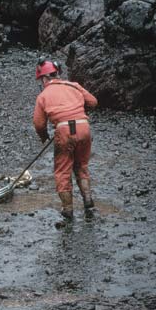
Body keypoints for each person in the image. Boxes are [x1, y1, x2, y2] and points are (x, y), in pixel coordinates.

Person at [33, 59, 98, 228]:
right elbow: (93, 102)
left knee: (62, 171)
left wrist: (44, 136)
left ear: (44, 78)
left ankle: (68, 210)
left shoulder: (43, 96)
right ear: (57, 73)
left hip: (63, 131)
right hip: (84, 128)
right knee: (81, 166)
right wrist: (78, 112)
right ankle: (88, 200)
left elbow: (39, 124)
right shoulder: (74, 86)